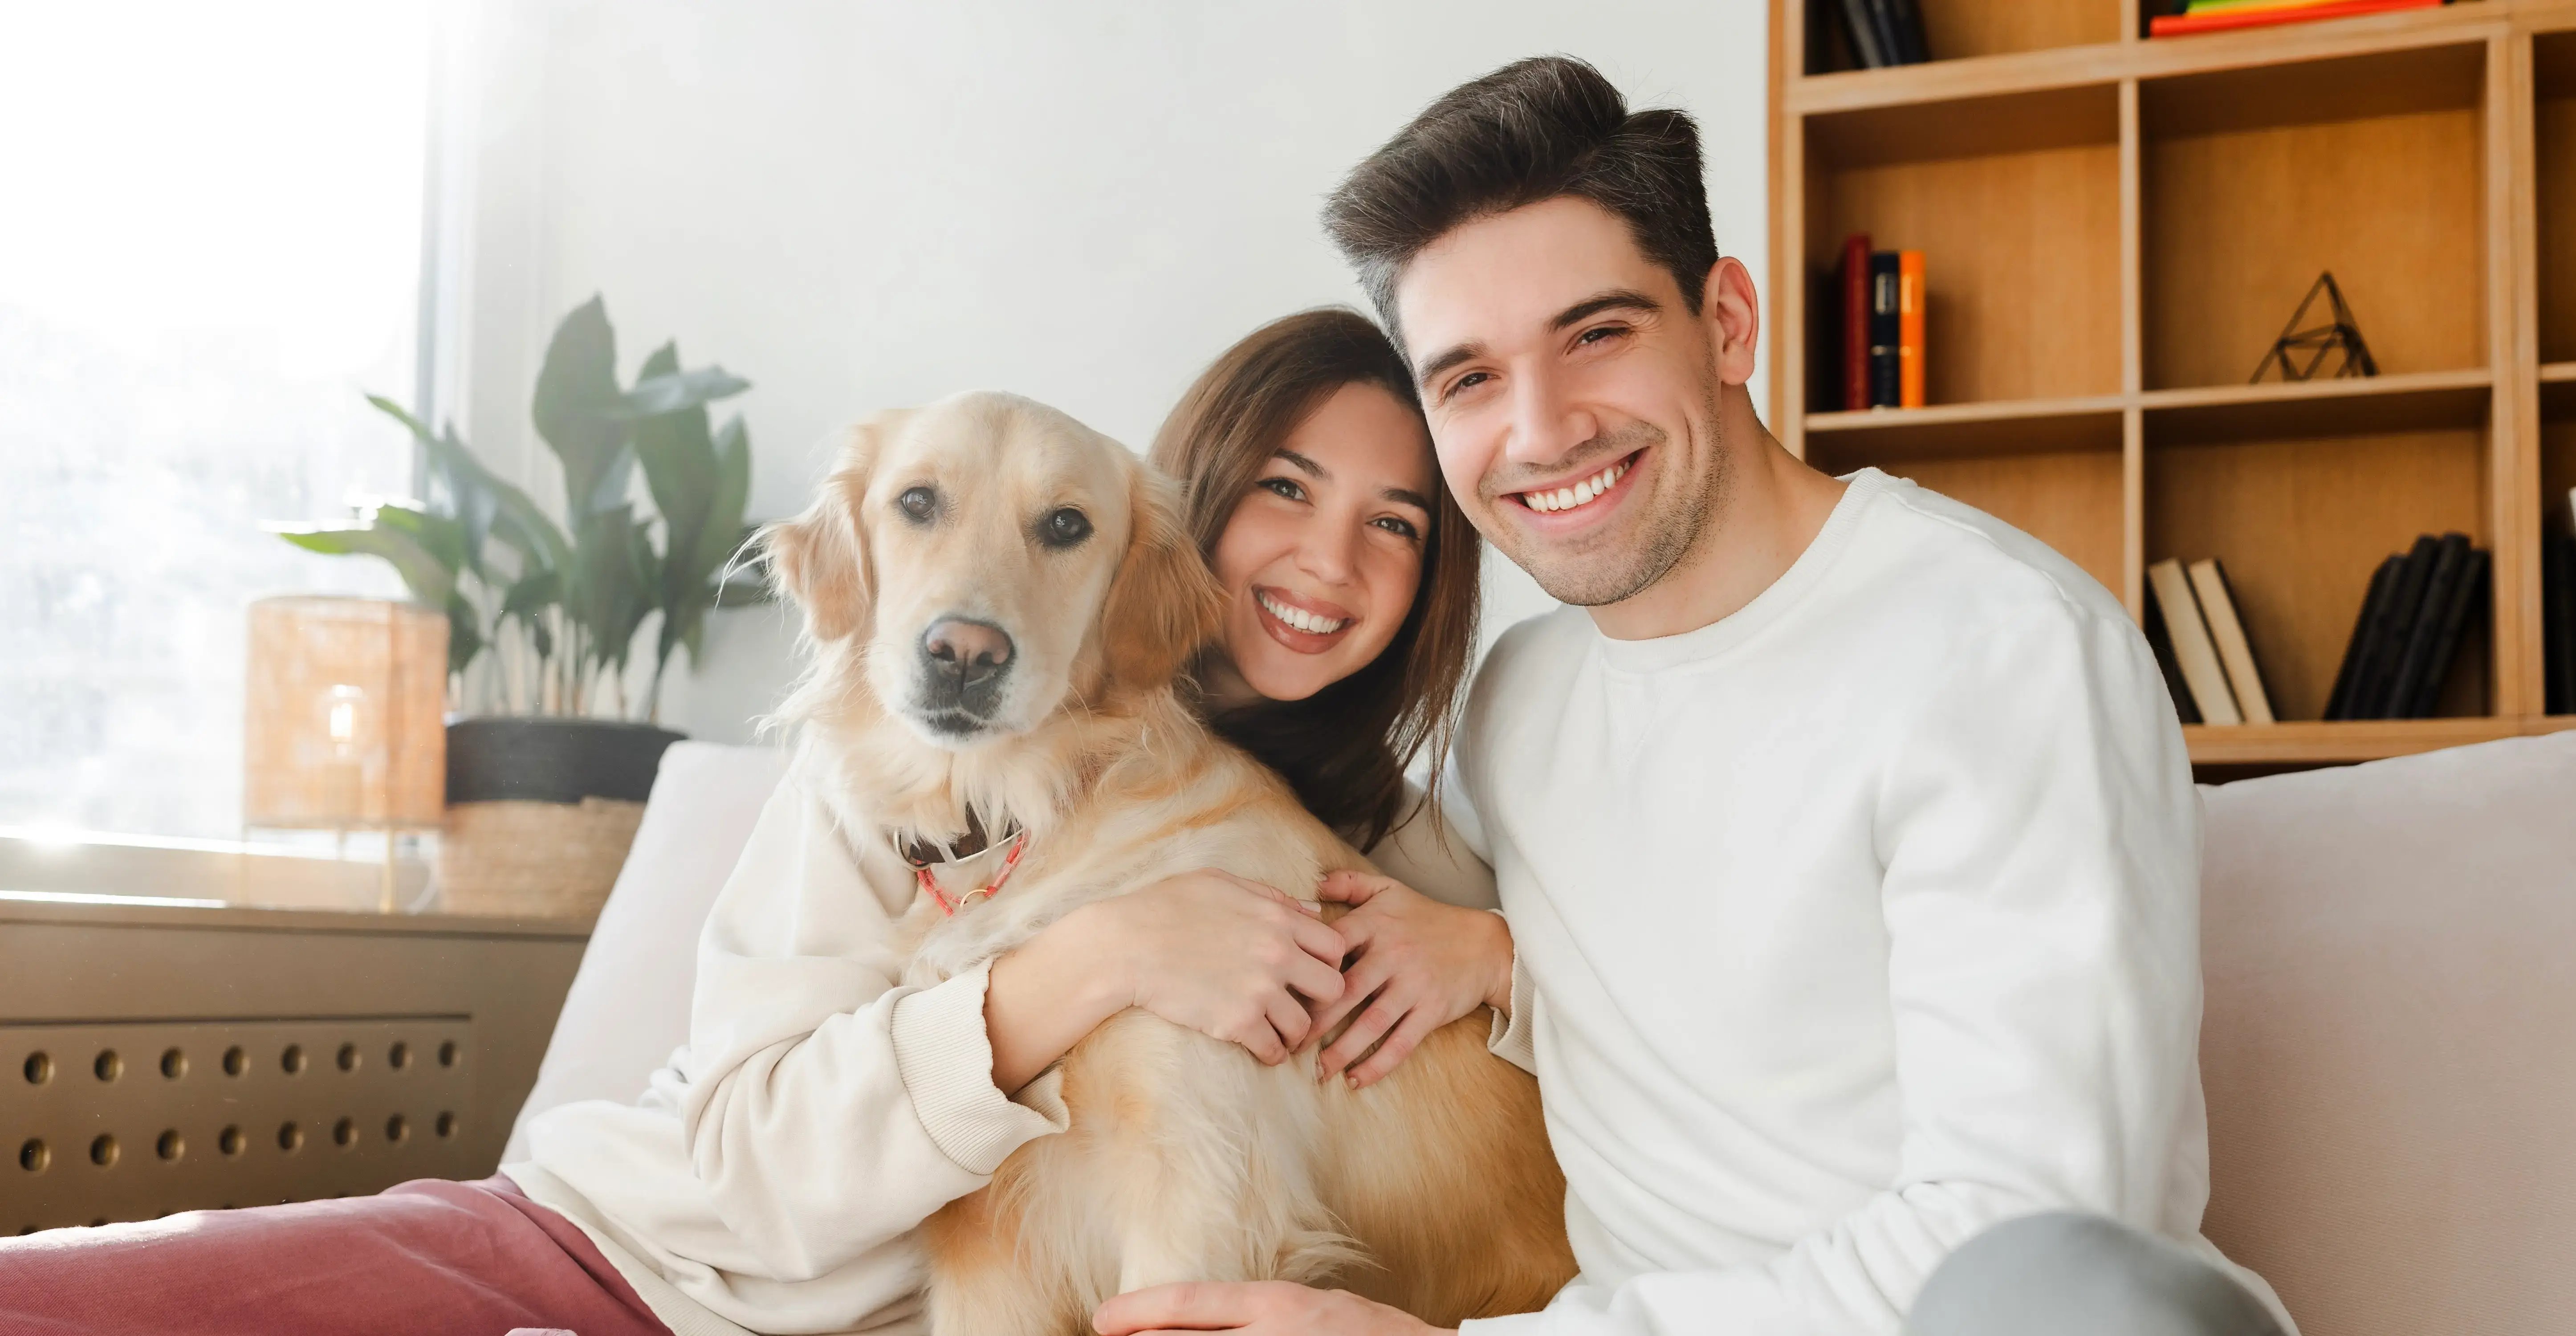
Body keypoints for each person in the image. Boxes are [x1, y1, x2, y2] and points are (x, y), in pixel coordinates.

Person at [0, 309, 1508, 1336]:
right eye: (1288, 491)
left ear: (1126, 572)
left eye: (1397, 521)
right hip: (613, 1240)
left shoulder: (1386, 844)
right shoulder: (892, 760)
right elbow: (745, 1170)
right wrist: (1095, 960)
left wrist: (1494, 953)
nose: (1327, 558)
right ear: (1202, 510)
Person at [1091, 57, 2298, 1336]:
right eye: (1470, 379)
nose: (1544, 430)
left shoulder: (1999, 650)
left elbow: (2018, 1241)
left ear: (1728, 322)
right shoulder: (1523, 704)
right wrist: (1504, 959)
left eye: (1596, 336)